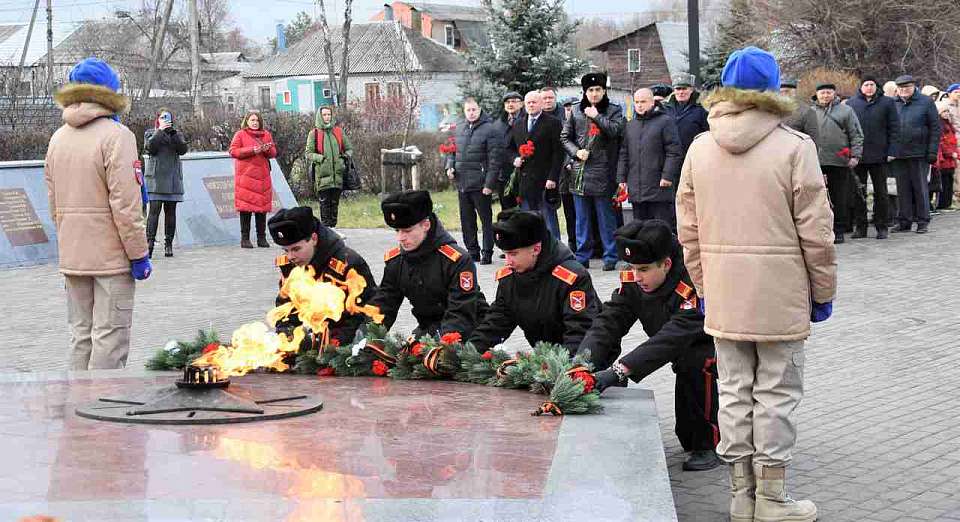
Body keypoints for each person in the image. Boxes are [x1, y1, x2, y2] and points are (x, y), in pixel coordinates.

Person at [676, 47, 837, 522]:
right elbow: (817, 231)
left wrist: (704, 286)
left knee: (733, 391)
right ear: (772, 89)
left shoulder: (700, 147)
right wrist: (823, 292)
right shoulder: (795, 147)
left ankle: (740, 495)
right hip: (780, 291)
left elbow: (688, 230)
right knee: (776, 393)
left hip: (724, 293)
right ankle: (771, 498)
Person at [580, 220, 720, 472]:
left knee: (696, 364)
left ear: (666, 264)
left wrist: (620, 370)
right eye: (633, 268)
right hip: (673, 343)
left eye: (643, 269)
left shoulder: (692, 282)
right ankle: (694, 438)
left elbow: (673, 336)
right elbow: (610, 320)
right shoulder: (636, 279)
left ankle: (708, 445)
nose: (636, 277)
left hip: (709, 342)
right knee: (686, 433)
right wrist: (582, 361)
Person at [45, 57, 152, 370]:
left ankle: (78, 398)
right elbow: (126, 205)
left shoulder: (58, 137)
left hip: (73, 255)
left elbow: (53, 202)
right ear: (109, 91)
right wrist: (138, 255)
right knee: (110, 337)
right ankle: (104, 399)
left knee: (81, 336)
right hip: (111, 257)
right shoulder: (117, 135)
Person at [469, 209, 599, 355]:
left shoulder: (571, 277)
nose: (508, 262)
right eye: (505, 254)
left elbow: (581, 332)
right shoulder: (511, 276)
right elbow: (497, 321)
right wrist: (467, 353)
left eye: (513, 254)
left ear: (536, 249)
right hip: (546, 359)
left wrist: (558, 365)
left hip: (581, 358)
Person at [371, 190, 489, 339]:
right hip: (430, 329)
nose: (400, 238)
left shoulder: (456, 260)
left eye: (407, 231)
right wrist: (366, 338)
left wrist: (438, 346)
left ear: (426, 225)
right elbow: (384, 304)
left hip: (470, 332)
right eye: (397, 230)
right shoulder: (396, 261)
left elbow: (461, 313)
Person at [268, 207, 377, 347]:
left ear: (314, 238)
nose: (290, 257)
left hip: (348, 340)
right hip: (314, 336)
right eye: (285, 250)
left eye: (296, 249)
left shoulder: (348, 264)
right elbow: (286, 306)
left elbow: (364, 313)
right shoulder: (290, 265)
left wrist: (333, 342)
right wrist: (286, 334)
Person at [561, 72, 625, 271]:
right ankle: (582, 256)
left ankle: (610, 256)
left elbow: (615, 131)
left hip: (603, 172)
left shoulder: (613, 110)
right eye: (590, 90)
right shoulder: (576, 111)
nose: (594, 93)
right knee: (582, 219)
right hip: (580, 172)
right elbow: (565, 137)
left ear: (604, 91)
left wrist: (596, 116)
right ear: (585, 92)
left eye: (598, 89)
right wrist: (576, 152)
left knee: (606, 218)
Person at [618, 87, 683, 229]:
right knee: (640, 230)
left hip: (659, 187)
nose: (639, 105)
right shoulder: (630, 125)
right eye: (636, 102)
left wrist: (667, 176)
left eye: (643, 102)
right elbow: (624, 153)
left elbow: (674, 151)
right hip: (637, 189)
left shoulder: (665, 121)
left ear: (652, 102)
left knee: (661, 229)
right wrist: (621, 178)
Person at [446, 97, 501, 264]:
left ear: (479, 109)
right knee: (467, 221)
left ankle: (487, 252)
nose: (471, 113)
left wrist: (489, 184)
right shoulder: (459, 128)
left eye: (474, 110)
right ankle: (472, 252)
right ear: (464, 111)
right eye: (468, 110)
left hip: (480, 184)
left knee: (485, 221)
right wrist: (449, 167)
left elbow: (494, 160)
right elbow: (451, 152)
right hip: (462, 183)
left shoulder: (490, 129)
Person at [846, 76, 900, 239]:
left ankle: (881, 226)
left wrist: (892, 150)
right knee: (859, 192)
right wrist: (849, 152)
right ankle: (860, 227)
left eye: (872, 84)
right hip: (859, 156)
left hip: (880, 155)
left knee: (881, 192)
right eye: (866, 85)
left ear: (877, 86)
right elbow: (848, 130)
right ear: (861, 87)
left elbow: (895, 128)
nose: (869, 87)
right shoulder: (852, 103)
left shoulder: (887, 103)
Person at [811, 82, 863, 243]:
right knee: (816, 198)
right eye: (822, 93)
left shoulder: (846, 111)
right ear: (817, 94)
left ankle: (838, 230)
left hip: (839, 160)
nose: (825, 95)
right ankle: (819, 230)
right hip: (814, 161)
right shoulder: (809, 112)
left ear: (834, 94)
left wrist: (855, 156)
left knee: (839, 197)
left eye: (829, 92)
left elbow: (856, 134)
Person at [508, 91, 563, 238]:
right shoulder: (518, 124)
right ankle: (533, 249)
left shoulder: (553, 123)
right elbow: (510, 149)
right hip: (525, 182)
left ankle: (554, 248)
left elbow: (558, 153)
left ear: (541, 103)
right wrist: (514, 159)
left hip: (545, 181)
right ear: (524, 105)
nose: (531, 105)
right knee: (529, 222)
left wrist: (553, 177)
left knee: (549, 221)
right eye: (528, 103)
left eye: (534, 102)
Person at [891, 75, 941, 234]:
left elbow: (935, 128)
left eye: (907, 87)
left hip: (919, 152)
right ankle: (904, 221)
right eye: (900, 88)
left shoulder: (926, 102)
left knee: (920, 188)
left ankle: (922, 221)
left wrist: (932, 151)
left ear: (914, 87)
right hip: (899, 154)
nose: (903, 90)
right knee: (902, 189)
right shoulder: (892, 103)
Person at [143, 107, 187, 258]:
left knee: (170, 212)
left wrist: (173, 134)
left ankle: (168, 244)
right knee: (153, 212)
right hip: (156, 178)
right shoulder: (150, 133)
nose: (165, 120)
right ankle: (149, 243)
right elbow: (150, 148)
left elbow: (182, 150)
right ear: (157, 119)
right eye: (162, 117)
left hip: (172, 178)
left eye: (167, 118)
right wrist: (160, 131)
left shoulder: (177, 134)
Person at [230, 110, 277, 248]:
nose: (255, 123)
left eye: (257, 120)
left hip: (262, 176)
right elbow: (233, 151)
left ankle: (261, 238)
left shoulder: (266, 134)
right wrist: (252, 150)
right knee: (245, 208)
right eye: (252, 120)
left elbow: (273, 153)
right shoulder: (240, 134)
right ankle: (245, 238)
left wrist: (267, 149)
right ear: (247, 121)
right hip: (246, 176)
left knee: (261, 208)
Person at [306, 106, 353, 228]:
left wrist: (343, 158)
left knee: (334, 203)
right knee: (324, 204)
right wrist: (321, 159)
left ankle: (333, 228)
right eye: (324, 115)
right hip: (322, 175)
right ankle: (326, 229)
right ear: (320, 116)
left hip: (337, 175)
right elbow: (309, 153)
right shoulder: (314, 133)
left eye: (329, 114)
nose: (327, 117)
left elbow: (349, 149)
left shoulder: (338, 131)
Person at [663, 73, 710, 164]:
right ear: (674, 90)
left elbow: (707, 134)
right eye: (678, 89)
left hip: (695, 157)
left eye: (684, 88)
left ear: (691, 90)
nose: (681, 92)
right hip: (671, 159)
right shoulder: (665, 108)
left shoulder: (702, 108)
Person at [495, 91, 525, 212]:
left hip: (523, 170)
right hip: (504, 173)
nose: (510, 104)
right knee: (507, 209)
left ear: (521, 104)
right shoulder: (499, 123)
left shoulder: (526, 120)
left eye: (514, 101)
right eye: (507, 102)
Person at [559, 96, 580, 252]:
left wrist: (572, 161)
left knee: (582, 213)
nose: (570, 110)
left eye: (572, 108)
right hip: (564, 177)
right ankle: (572, 242)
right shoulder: (559, 125)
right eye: (567, 108)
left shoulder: (581, 123)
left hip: (579, 174)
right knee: (569, 213)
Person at [932, 101, 957, 211]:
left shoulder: (949, 125)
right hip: (944, 159)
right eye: (944, 111)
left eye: (947, 111)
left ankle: (947, 203)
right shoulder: (939, 125)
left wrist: (955, 153)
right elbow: (941, 143)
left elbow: (953, 141)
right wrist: (950, 153)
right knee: (943, 182)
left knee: (949, 181)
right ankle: (941, 204)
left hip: (951, 159)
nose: (946, 113)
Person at [780, 78, 820, 147]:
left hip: (796, 150)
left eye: (787, 91)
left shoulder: (806, 111)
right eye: (780, 92)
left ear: (794, 92)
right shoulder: (770, 110)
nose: (783, 94)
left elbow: (814, 141)